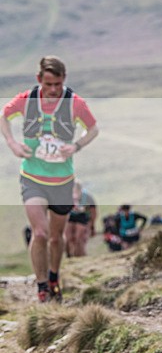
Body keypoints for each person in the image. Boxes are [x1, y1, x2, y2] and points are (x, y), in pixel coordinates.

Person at [1, 56, 99, 302]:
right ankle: (42, 286)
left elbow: (93, 129)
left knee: (56, 237)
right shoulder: (26, 100)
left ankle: (54, 276)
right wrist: (12, 143)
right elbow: (3, 116)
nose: (53, 90)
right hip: (32, 178)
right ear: (39, 79)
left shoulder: (75, 103)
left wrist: (76, 146)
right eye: (48, 84)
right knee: (41, 233)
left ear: (64, 79)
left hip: (62, 181)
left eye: (57, 84)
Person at [65, 179, 97, 257]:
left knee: (79, 237)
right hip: (69, 215)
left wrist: (92, 225)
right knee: (68, 237)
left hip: (82, 216)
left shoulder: (87, 197)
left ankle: (80, 255)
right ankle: (69, 255)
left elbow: (93, 211)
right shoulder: (66, 195)